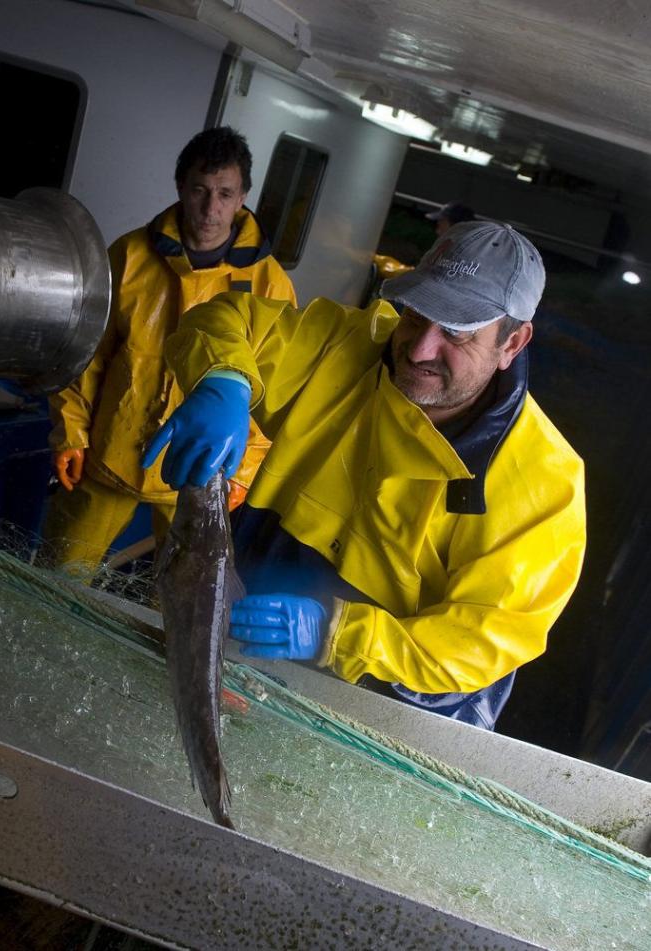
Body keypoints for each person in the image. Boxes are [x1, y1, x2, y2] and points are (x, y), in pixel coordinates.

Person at [143, 221, 586, 730]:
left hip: (386, 702)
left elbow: (479, 645)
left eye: (456, 333)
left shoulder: (546, 485)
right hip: (245, 628)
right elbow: (225, 318)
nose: (419, 349)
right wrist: (222, 378)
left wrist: (336, 631)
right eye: (416, 315)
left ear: (514, 342)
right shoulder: (343, 346)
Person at [42, 126, 296, 575]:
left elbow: (275, 391)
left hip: (201, 472)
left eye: (224, 193)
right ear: (180, 186)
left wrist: (245, 470)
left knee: (181, 604)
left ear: (242, 197)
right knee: (59, 573)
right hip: (108, 458)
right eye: (199, 190)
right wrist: (71, 432)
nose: (210, 208)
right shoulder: (130, 254)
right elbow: (87, 352)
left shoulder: (269, 284)